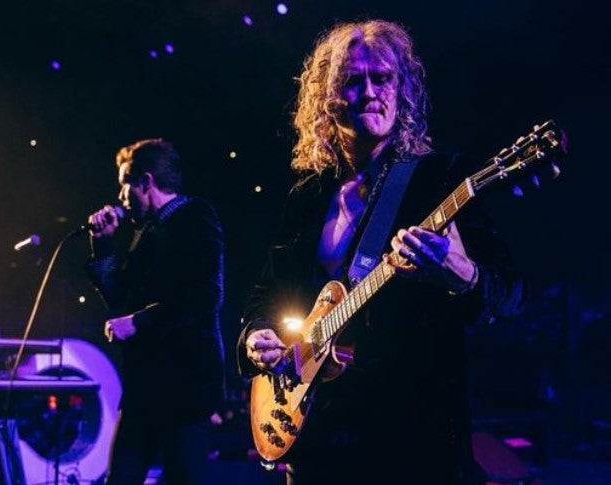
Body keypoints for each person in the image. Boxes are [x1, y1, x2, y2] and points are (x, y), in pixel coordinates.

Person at [238, 20, 525, 484]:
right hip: (321, 441)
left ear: (403, 90)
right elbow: (266, 291)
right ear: (328, 101)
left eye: (383, 78)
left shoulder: (441, 179)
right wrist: (256, 335)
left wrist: (463, 273)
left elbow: (509, 293)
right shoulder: (307, 196)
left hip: (413, 442)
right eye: (353, 80)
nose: (370, 91)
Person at [85, 138, 225, 485]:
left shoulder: (194, 216)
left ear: (146, 182)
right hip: (144, 389)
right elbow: (120, 300)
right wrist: (102, 245)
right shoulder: (144, 233)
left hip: (184, 387)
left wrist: (140, 322)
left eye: (124, 185)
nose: (120, 197)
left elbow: (204, 296)